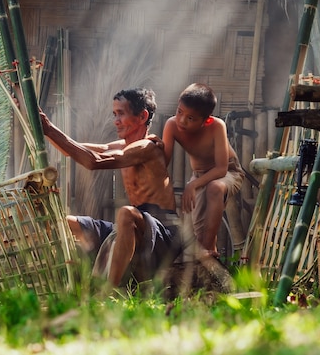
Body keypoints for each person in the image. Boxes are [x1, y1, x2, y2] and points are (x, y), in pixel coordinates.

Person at [39, 88, 180, 287]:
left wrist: (49, 128)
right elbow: (73, 149)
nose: (116, 121)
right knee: (66, 223)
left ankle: (110, 293)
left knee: (125, 214)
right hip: (132, 227)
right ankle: (73, 283)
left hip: (162, 231)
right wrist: (45, 127)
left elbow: (92, 161)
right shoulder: (121, 146)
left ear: (142, 116)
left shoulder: (148, 148)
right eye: (114, 114)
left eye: (121, 114)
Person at [162, 83, 244, 261]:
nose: (182, 120)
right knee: (199, 232)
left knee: (214, 188)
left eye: (191, 118)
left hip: (228, 172)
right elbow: (163, 163)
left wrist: (193, 185)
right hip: (199, 176)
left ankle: (208, 249)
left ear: (206, 120)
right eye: (179, 112)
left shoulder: (216, 126)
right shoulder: (172, 125)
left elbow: (221, 168)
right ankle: (208, 255)